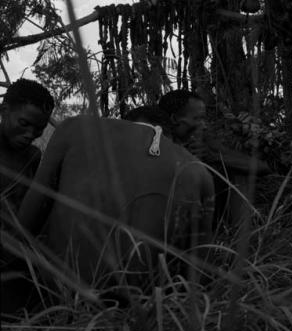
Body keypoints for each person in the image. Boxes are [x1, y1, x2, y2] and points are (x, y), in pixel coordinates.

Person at [11, 108, 215, 313]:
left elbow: (23, 225)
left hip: (59, 301)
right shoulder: (198, 170)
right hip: (143, 313)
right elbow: (199, 274)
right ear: (167, 135)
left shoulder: (74, 128)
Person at [158, 90, 270, 230]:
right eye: (197, 119)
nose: (203, 125)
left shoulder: (205, 142)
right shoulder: (156, 143)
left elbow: (261, 167)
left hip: (209, 220)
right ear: (174, 120)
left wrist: (214, 157)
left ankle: (240, 236)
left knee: (236, 171)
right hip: (167, 223)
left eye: (203, 119)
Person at [0, 78, 54, 219]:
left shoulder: (32, 157)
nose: (30, 135)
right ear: (4, 111)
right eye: (24, 123)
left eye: (39, 129)